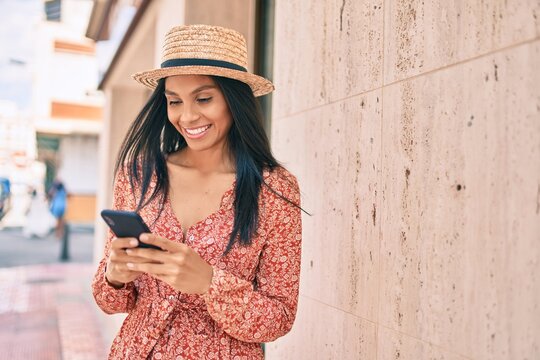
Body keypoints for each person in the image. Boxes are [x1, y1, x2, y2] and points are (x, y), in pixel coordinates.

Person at [92, 24, 303, 359]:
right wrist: (114, 276)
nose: (187, 116)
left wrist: (209, 283)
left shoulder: (274, 189)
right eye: (174, 101)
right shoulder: (139, 174)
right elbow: (109, 301)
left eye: (204, 98)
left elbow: (279, 318)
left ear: (234, 101)